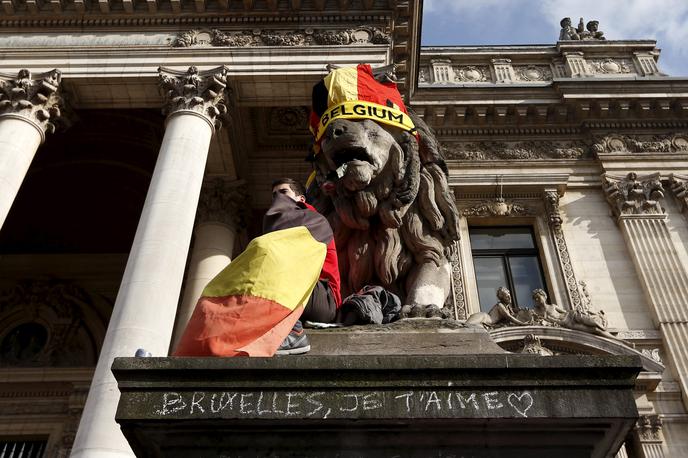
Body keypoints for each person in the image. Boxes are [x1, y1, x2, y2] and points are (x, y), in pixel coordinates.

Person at [268, 178, 342, 355]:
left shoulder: (308, 216)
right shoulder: (288, 219)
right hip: (305, 294)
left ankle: (294, 332)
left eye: (283, 192)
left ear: (301, 199)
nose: (278, 198)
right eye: (274, 195)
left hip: (323, 298)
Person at [465, 287, 531, 328]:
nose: (509, 297)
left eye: (509, 295)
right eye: (506, 296)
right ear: (502, 298)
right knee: (466, 326)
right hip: (483, 318)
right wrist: (522, 323)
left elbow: (513, 313)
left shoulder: (508, 308)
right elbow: (509, 317)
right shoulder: (500, 305)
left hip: (487, 323)